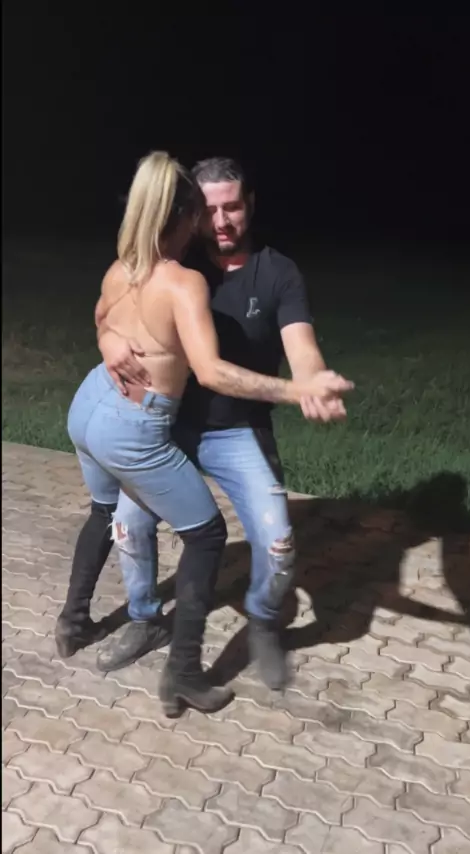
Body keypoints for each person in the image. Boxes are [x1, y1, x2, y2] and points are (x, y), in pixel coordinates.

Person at [57, 151, 354, 714]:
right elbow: (123, 320)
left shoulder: (275, 273)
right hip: (161, 427)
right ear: (190, 215)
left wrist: (311, 380)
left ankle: (260, 621)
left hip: (223, 428)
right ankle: (152, 629)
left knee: (276, 542)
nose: (219, 221)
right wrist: (110, 343)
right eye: (207, 210)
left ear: (250, 205)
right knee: (137, 525)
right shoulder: (178, 266)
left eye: (231, 208)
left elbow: (302, 347)